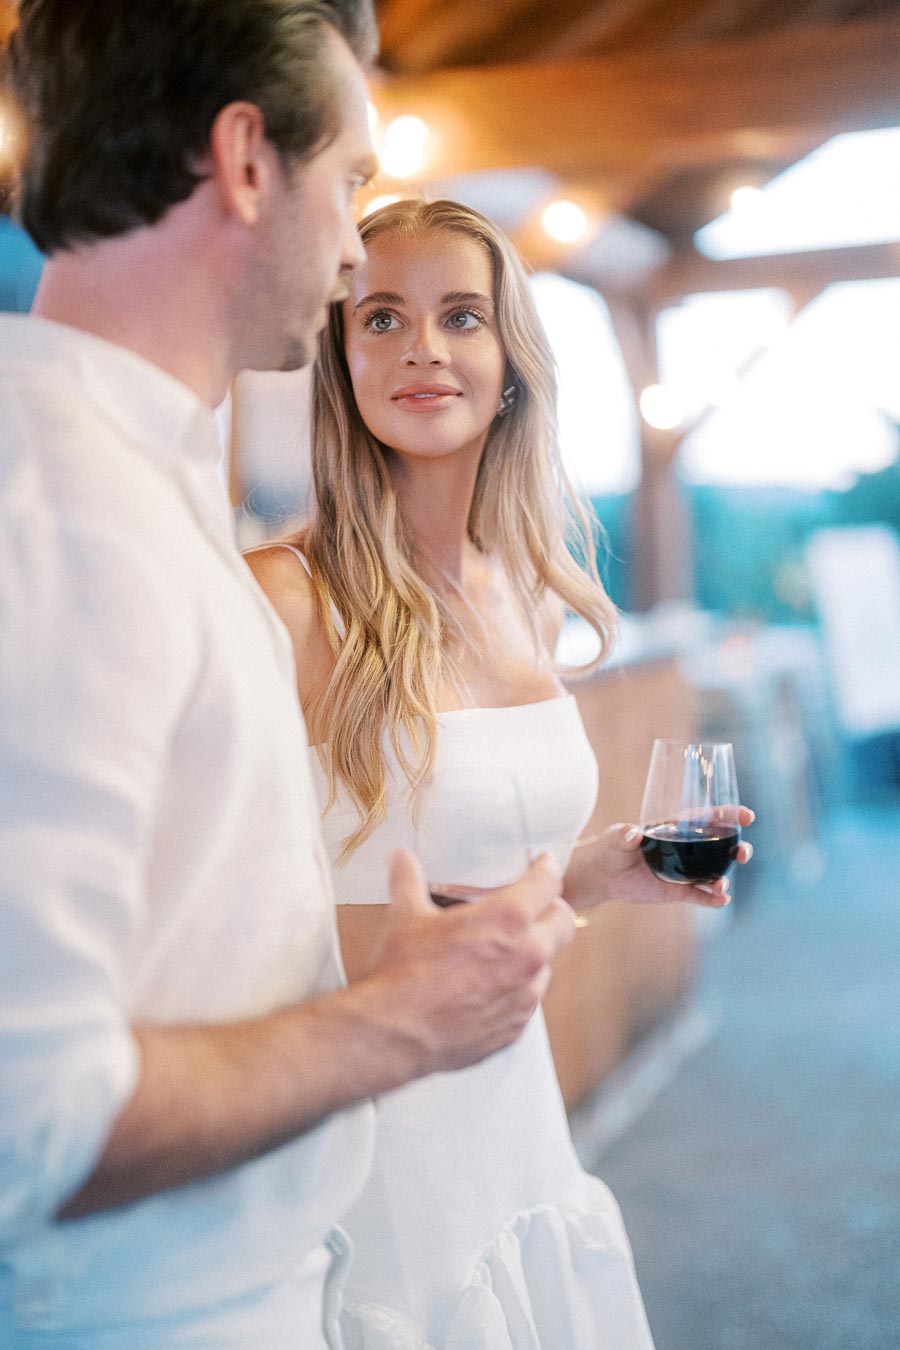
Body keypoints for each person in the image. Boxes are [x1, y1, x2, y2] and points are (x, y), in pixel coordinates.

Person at [0, 8, 576, 1346]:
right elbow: (30, 1117)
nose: (355, 240)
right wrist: (399, 1023)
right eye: (355, 179)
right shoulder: (57, 511)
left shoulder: (136, 480)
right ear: (249, 161)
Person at [247, 197, 754, 1348]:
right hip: (369, 1131)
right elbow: (251, 920)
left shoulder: (522, 590)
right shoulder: (283, 599)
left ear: (508, 362)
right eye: (382, 317)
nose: (422, 346)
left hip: (509, 1103)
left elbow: (464, 881)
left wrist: (595, 872)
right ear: (341, 363)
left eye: (459, 316)